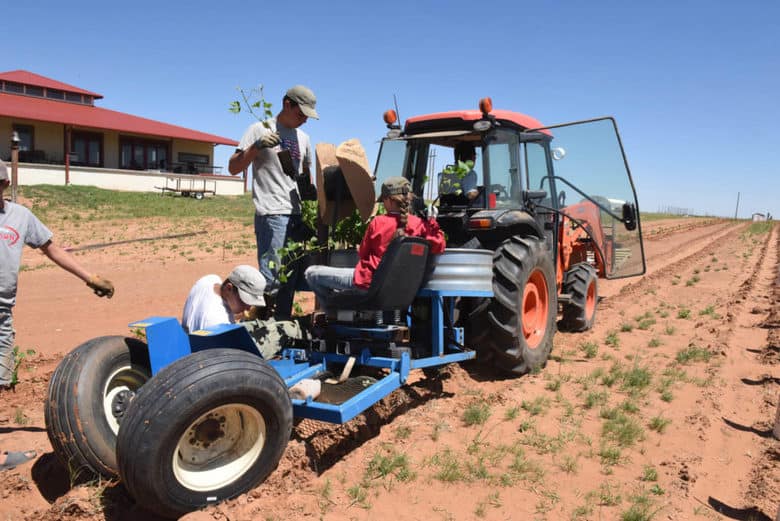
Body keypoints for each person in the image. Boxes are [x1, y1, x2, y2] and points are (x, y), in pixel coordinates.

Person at [0, 160, 114, 389]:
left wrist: (89, 278)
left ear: (5, 183)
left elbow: (52, 249)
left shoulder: (21, 216)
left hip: (2, 309)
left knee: (1, 378)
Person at [228, 85, 319, 320]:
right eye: (301, 115)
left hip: (296, 215)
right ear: (287, 104)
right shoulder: (259, 129)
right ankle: (260, 325)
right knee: (271, 278)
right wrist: (257, 146)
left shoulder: (304, 138)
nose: (304, 121)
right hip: (272, 214)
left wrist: (311, 197)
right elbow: (233, 167)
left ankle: (281, 325)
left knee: (290, 277)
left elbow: (305, 177)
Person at [304, 176, 446, 305]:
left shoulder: (378, 222)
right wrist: (432, 222)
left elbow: (362, 254)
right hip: (401, 290)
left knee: (311, 273)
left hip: (368, 284)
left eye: (383, 201)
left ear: (389, 200)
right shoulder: (420, 225)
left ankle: (332, 310)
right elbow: (439, 245)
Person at [181, 264, 267, 333]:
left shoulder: (209, 280)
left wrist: (238, 313)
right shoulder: (217, 323)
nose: (248, 308)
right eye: (244, 301)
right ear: (229, 288)